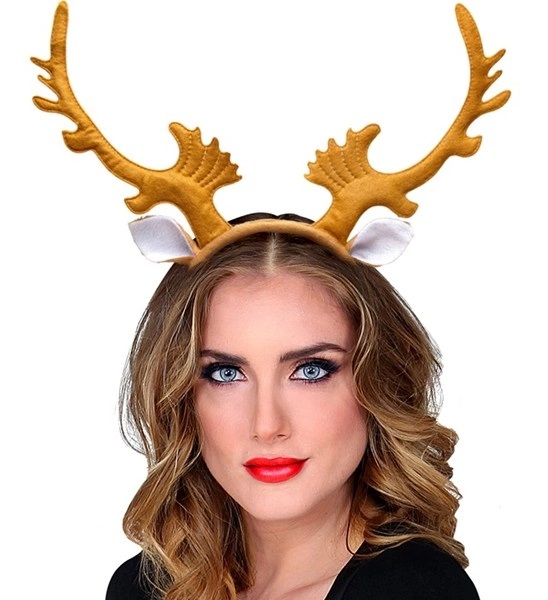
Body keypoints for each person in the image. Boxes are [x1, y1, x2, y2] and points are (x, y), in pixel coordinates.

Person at [32, 3, 509, 599]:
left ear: (377, 383)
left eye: (311, 370)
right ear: (180, 396)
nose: (266, 425)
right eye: (225, 373)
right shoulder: (145, 587)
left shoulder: (412, 590)